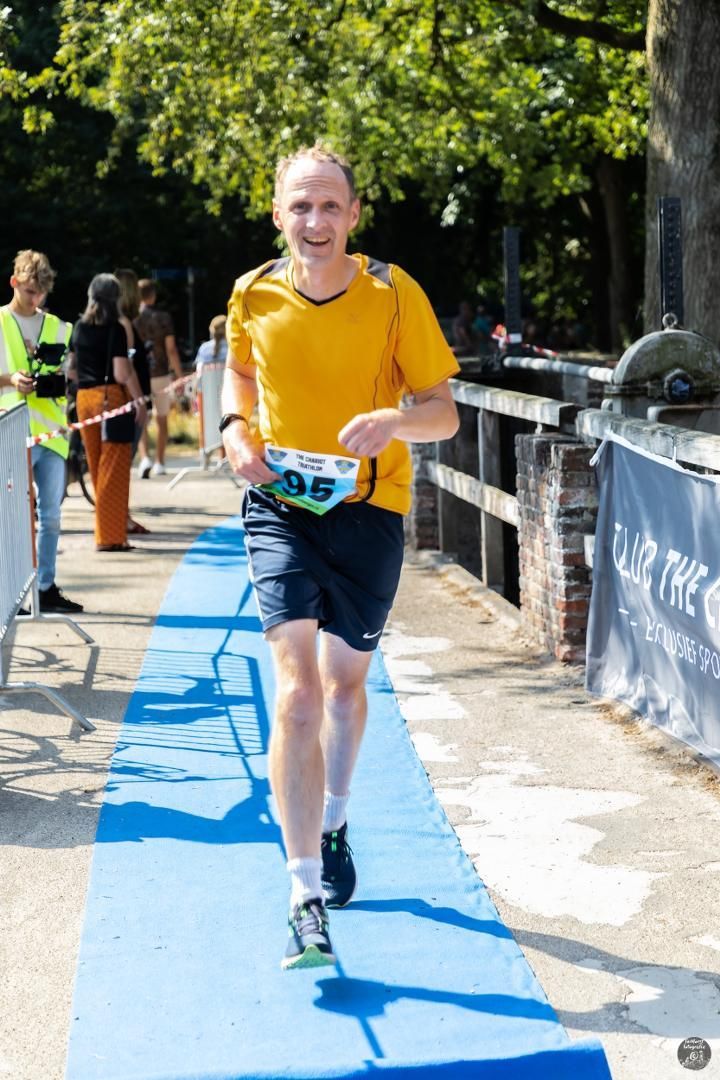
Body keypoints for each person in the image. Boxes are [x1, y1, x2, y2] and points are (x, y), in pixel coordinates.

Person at [221, 143, 460, 970]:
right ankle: (303, 896)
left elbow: (443, 413)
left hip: (368, 513)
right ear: (277, 213)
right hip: (279, 510)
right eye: (300, 206)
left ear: (353, 216)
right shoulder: (251, 292)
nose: (315, 222)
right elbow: (240, 381)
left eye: (330, 207)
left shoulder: (395, 295)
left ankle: (334, 818)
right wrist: (231, 430)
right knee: (295, 694)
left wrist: (394, 421)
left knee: (344, 687)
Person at [0, 250, 83, 612]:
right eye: (31, 291)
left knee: (50, 515)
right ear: (14, 283)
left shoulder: (57, 326)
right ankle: (15, 590)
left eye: (42, 293)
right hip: (13, 432)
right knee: (15, 517)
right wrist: (10, 379)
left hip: (50, 434)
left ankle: (45, 588)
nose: (37, 299)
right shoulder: (0, 322)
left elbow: (69, 373)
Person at [70, 274, 147, 552]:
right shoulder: (114, 328)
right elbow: (121, 372)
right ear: (115, 299)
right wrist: (139, 401)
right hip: (110, 399)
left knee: (96, 468)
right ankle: (110, 537)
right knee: (113, 469)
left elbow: (71, 369)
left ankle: (104, 533)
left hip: (84, 400)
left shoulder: (79, 326)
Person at [114, 268, 152, 535]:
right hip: (128, 401)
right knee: (122, 465)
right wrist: (139, 401)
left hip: (126, 400)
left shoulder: (119, 322)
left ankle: (120, 516)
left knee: (122, 465)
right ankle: (121, 517)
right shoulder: (124, 324)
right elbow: (127, 367)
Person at [135, 278, 183, 477]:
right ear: (153, 295)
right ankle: (160, 462)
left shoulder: (132, 319)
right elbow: (171, 349)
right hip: (161, 373)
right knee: (161, 418)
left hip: (139, 375)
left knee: (141, 418)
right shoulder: (164, 318)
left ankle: (144, 457)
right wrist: (179, 376)